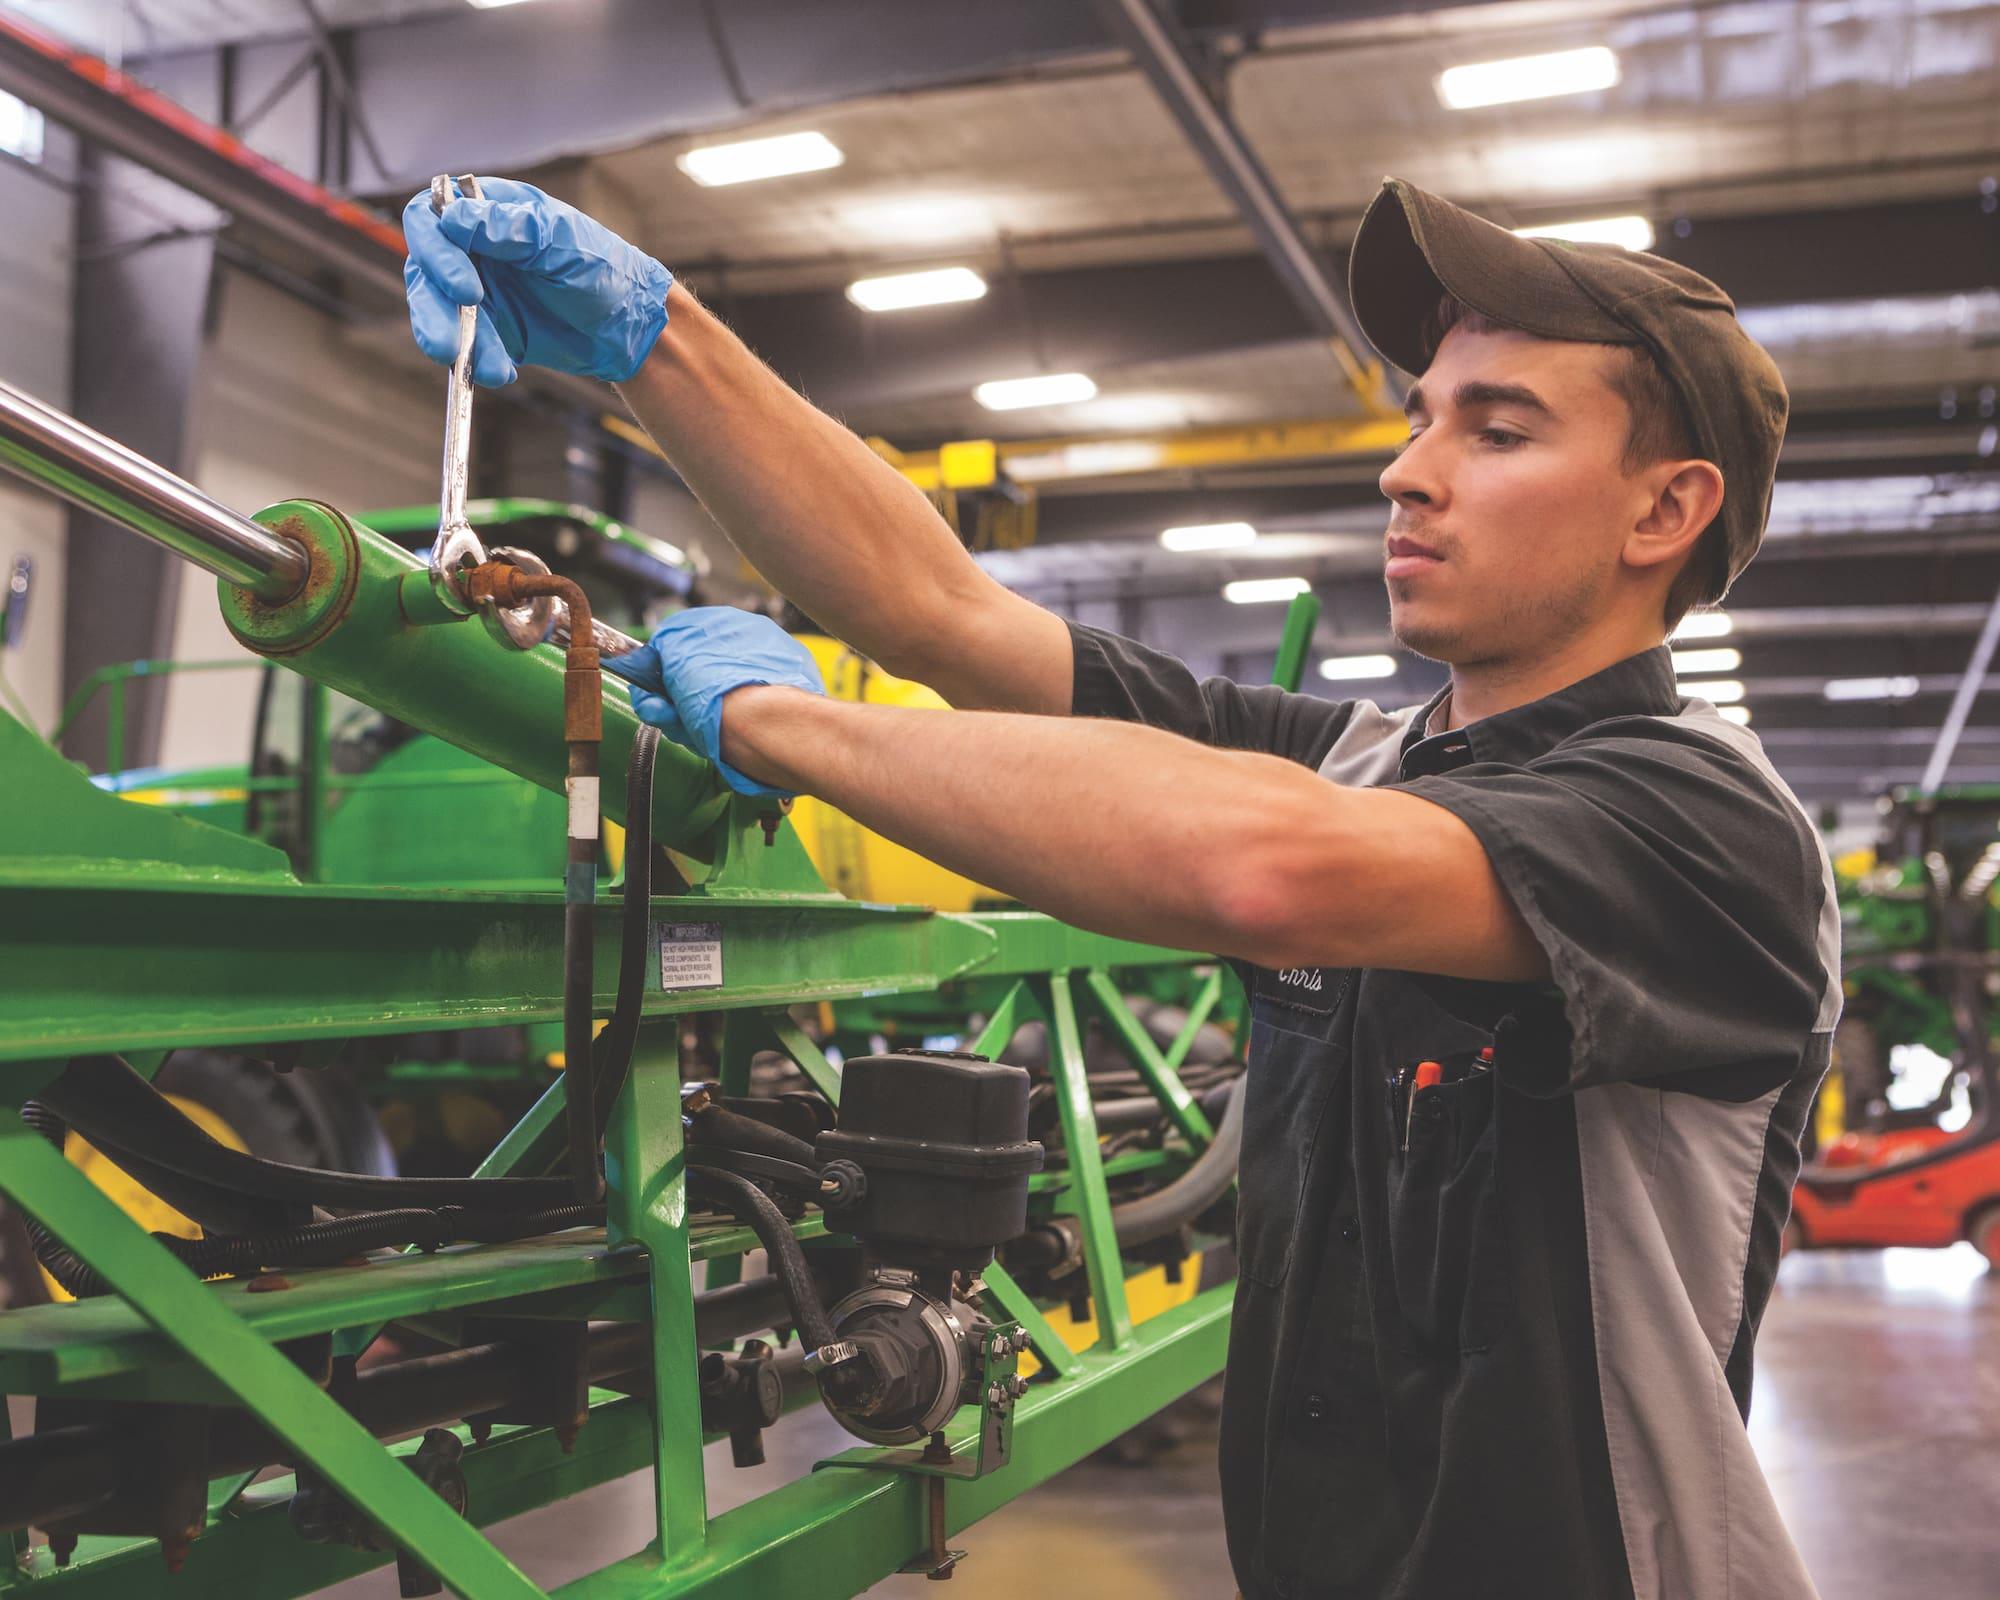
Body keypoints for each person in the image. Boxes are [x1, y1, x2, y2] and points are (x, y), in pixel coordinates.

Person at [405, 174, 1833, 1600]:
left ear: (1666, 511)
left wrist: (787, 726)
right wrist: (662, 340)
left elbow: (1263, 868)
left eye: (1498, 428)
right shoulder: (1367, 758)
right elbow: (942, 614)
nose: (1409, 469)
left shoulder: (1704, 819)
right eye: (1420, 419)